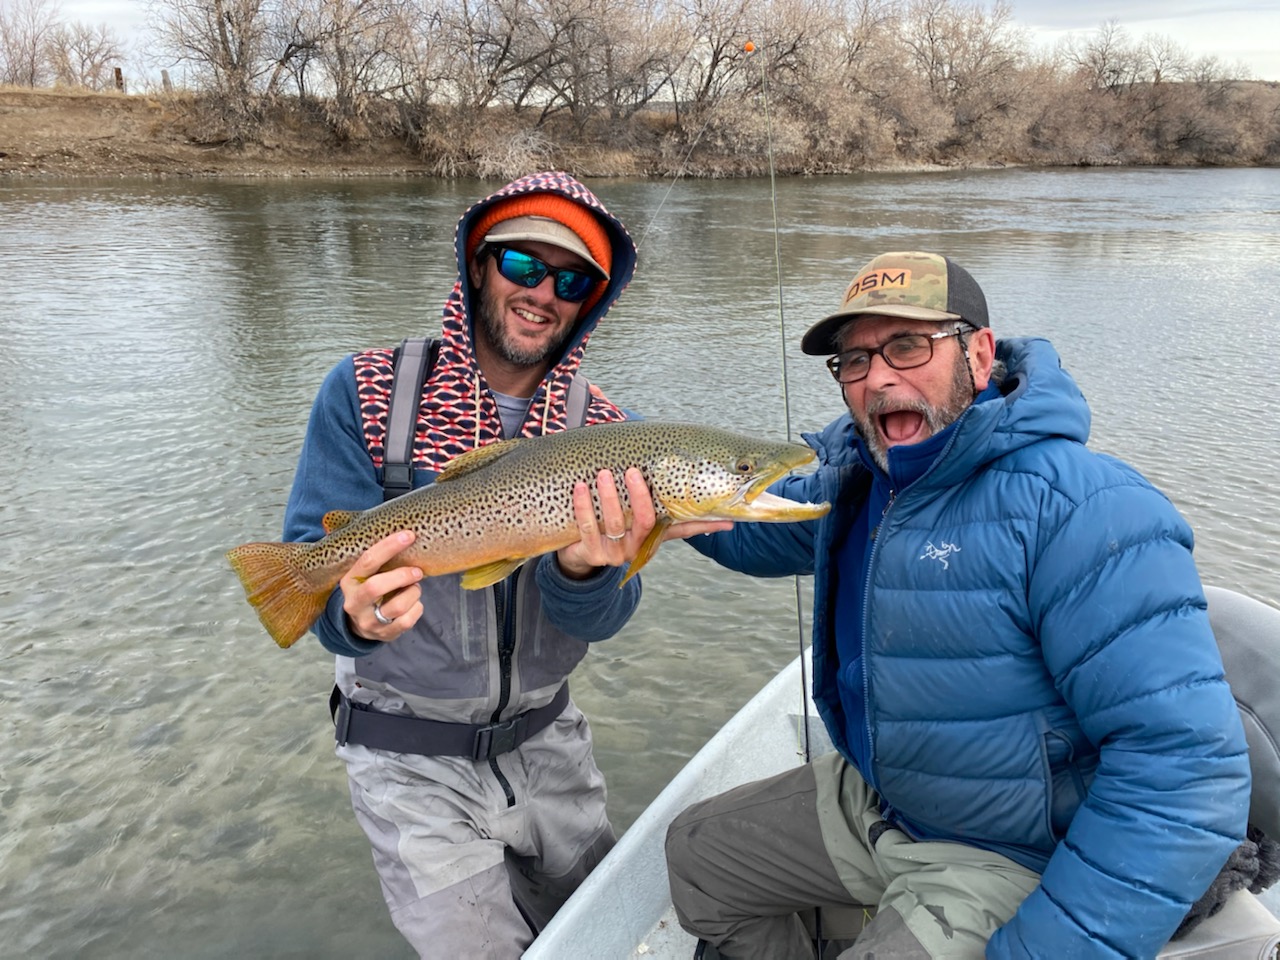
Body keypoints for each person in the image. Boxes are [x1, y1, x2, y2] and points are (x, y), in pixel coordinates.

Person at [663, 251, 1252, 958]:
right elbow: (741, 525)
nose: (878, 377)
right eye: (854, 360)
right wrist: (606, 450)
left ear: (977, 351)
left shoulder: (1090, 509)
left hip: (1014, 850)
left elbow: (1185, 771)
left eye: (907, 346)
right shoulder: (863, 484)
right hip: (890, 804)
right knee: (698, 858)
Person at [282, 171, 726, 959]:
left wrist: (588, 574)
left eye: (571, 279)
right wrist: (351, 614)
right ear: (477, 266)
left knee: (610, 937)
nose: (543, 293)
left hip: (551, 745)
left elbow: (602, 619)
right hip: (405, 761)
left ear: (590, 299)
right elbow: (319, 599)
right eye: (523, 265)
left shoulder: (611, 432)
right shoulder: (367, 391)